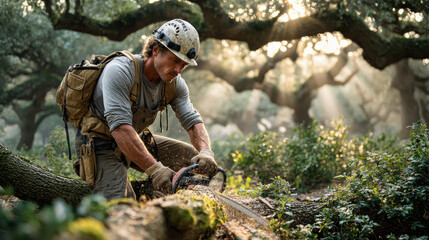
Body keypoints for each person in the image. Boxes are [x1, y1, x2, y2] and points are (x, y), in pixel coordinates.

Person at [74, 19, 218, 200]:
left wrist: (206, 151)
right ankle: (136, 191)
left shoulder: (175, 84)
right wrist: (155, 169)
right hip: (99, 142)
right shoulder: (120, 70)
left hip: (134, 137)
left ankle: (152, 193)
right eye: (175, 60)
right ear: (156, 50)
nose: (178, 70)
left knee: (190, 159)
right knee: (121, 204)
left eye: (184, 64)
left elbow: (192, 120)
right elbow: (120, 129)